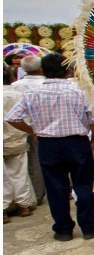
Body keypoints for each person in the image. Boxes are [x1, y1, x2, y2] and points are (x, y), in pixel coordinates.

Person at [5, 53, 94, 241]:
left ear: (43, 70)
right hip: (76, 142)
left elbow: (12, 117)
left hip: (48, 143)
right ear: (67, 69)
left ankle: (63, 229)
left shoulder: (32, 94)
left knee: (56, 188)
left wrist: (32, 131)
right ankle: (89, 226)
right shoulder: (78, 92)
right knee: (83, 185)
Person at [10, 55, 47, 205]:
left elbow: (12, 117)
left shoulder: (15, 86)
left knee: (33, 164)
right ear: (41, 68)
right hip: (47, 130)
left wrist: (31, 131)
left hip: (24, 129)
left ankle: (37, 196)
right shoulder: (46, 83)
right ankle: (67, 191)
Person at [3, 65, 34, 223]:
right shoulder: (17, 94)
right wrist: (31, 132)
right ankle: (23, 206)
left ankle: (3, 210)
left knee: (3, 176)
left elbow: (12, 117)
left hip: (7, 137)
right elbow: (25, 117)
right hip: (18, 138)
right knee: (20, 172)